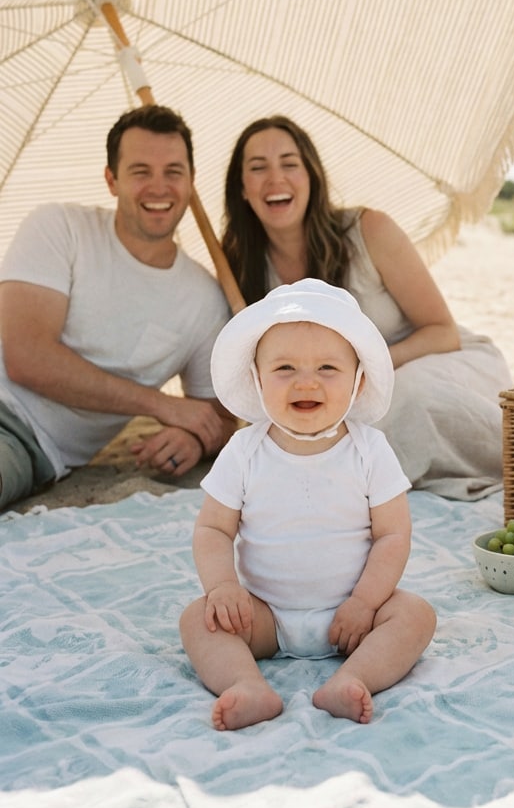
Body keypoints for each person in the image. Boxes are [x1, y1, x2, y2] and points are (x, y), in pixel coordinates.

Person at [179, 278, 436, 730]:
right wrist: (222, 587)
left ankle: (353, 677)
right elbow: (214, 529)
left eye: (327, 369)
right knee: (197, 619)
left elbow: (393, 535)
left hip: (357, 615)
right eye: (284, 369)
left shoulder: (369, 450)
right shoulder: (243, 450)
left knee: (415, 615)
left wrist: (364, 602)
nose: (306, 381)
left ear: (357, 384)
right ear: (257, 380)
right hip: (264, 615)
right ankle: (245, 683)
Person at [220, 115, 512, 501]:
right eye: (258, 168)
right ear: (242, 189)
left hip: (436, 363)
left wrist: (370, 369)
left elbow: (443, 331)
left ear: (311, 176)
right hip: (340, 388)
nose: (276, 178)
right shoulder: (238, 266)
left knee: (399, 400)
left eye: (289, 164)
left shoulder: (368, 230)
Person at [0, 105, 236, 511]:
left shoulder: (205, 299)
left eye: (173, 172)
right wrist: (160, 404)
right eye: (141, 171)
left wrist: (194, 439)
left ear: (192, 182)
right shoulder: (59, 227)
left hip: (24, 440)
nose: (159, 187)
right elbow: (26, 357)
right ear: (112, 180)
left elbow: (216, 419)